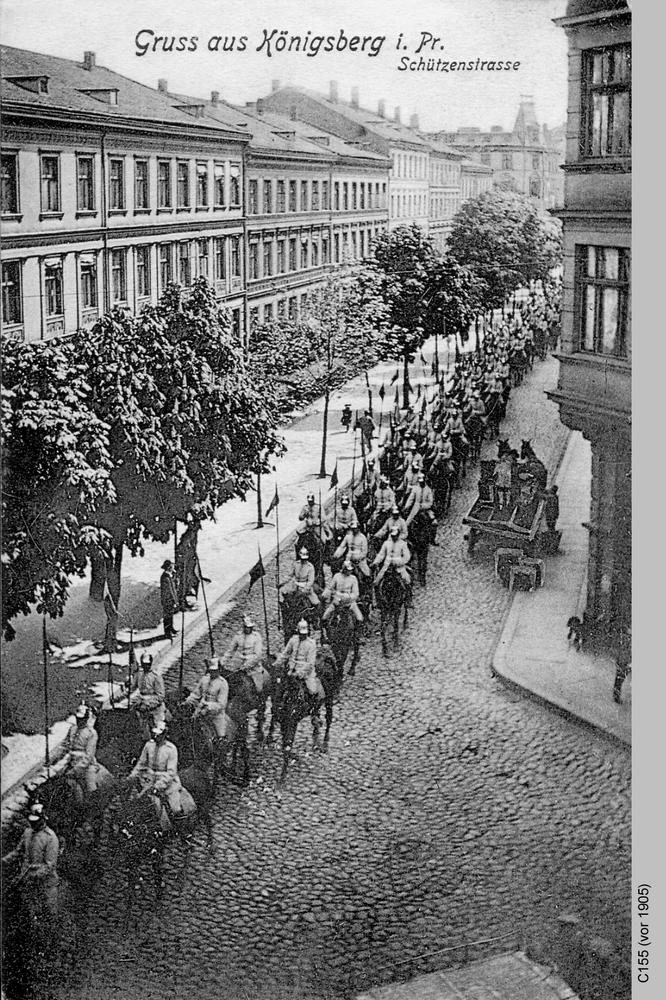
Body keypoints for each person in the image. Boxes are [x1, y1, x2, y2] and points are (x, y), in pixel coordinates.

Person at [2, 803, 60, 921]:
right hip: (28, 881)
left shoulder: (51, 838)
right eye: (32, 822)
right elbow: (18, 851)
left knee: (48, 914)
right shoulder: (28, 833)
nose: (33, 825)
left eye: (36, 822)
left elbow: (49, 866)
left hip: (45, 883)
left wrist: (30, 875)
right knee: (27, 913)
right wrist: (4, 860)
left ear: (43, 820)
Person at [129, 721, 186, 816]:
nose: (156, 737)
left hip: (166, 781)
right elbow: (141, 764)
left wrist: (158, 786)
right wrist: (132, 776)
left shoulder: (171, 749)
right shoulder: (148, 745)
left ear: (165, 735)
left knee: (175, 809)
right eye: (154, 734)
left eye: (159, 735)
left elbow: (171, 773)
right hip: (148, 779)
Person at [275, 619, 322, 700]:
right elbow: (286, 654)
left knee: (312, 690)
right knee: (279, 688)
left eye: (304, 634)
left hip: (305, 672)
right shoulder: (293, 640)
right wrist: (277, 663)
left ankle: (313, 709)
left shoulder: (311, 644)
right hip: (291, 669)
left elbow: (310, 663)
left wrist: (299, 673)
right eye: (301, 634)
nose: (302, 636)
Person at [184, 657, 229, 738]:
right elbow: (196, 693)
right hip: (200, 710)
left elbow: (221, 705)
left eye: (215, 671)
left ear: (219, 671)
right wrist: (188, 701)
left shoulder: (223, 684)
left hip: (215, 715)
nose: (213, 673)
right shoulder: (204, 679)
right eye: (211, 671)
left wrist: (208, 708)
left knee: (220, 737)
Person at [65, 703, 100, 797]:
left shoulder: (91, 733)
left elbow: (89, 755)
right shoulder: (72, 729)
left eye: (82, 719)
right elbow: (65, 746)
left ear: (86, 718)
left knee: (91, 786)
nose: (80, 721)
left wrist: (76, 769)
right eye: (78, 719)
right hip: (71, 762)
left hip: (85, 764)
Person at [129, 653, 166, 732]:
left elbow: (160, 696)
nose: (146, 666)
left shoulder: (156, 676)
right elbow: (131, 688)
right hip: (141, 703)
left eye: (148, 664)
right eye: (144, 664)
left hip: (155, 708)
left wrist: (148, 705)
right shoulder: (139, 674)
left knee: (158, 729)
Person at [322, 560, 364, 625]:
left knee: (359, 617)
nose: (350, 571)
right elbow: (330, 587)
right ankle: (324, 628)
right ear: (344, 569)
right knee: (326, 615)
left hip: (349, 601)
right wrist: (326, 594)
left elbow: (356, 593)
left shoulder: (353, 579)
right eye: (348, 570)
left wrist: (349, 597)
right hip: (338, 600)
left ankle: (358, 632)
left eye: (350, 570)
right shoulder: (337, 576)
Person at [404, 473, 438, 544]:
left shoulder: (428, 490)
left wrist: (423, 506)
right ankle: (406, 538)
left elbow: (430, 502)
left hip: (426, 509)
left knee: (434, 523)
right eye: (420, 482)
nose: (421, 483)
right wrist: (406, 506)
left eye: (422, 482)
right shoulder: (415, 489)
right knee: (407, 522)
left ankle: (432, 540)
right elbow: (411, 499)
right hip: (415, 508)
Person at [613, 626, 632, 704]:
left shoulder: (625, 640)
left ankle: (616, 696)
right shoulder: (625, 640)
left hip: (625, 661)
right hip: (624, 662)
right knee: (619, 680)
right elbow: (623, 653)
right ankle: (616, 697)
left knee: (619, 680)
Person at [160, 560, 179, 639]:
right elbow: (169, 591)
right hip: (167, 600)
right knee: (167, 616)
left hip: (170, 599)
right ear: (168, 567)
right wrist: (174, 601)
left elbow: (174, 589)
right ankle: (167, 633)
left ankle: (171, 629)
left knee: (170, 615)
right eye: (171, 567)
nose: (172, 568)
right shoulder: (165, 577)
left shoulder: (169, 576)